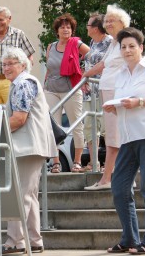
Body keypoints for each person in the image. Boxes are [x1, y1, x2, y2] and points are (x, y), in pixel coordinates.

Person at [103, 27, 145, 254]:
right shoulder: (121, 73)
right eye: (123, 47)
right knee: (119, 188)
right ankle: (130, 239)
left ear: (141, 48)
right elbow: (124, 102)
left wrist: (139, 102)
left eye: (132, 46)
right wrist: (116, 108)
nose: (127, 50)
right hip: (128, 138)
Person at [0, 47, 57, 254]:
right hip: (30, 146)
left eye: (11, 63)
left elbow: (19, 118)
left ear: (23, 65)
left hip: (27, 146)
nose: (7, 67)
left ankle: (15, 242)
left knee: (20, 195)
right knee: (29, 195)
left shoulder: (22, 83)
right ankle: (34, 240)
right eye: (4, 64)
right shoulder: (23, 83)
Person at [84, 4, 130, 189]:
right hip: (108, 91)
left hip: (117, 92)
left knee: (114, 137)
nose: (108, 23)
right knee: (113, 137)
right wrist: (85, 75)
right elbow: (103, 64)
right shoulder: (113, 42)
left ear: (122, 22)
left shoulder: (126, 40)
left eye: (112, 20)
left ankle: (107, 179)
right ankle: (116, 177)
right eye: (107, 20)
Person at [44, 13, 90, 173]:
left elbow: (91, 55)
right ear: (57, 30)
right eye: (62, 27)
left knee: (76, 124)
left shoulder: (76, 44)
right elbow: (49, 69)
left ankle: (77, 162)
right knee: (52, 127)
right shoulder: (51, 46)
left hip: (71, 89)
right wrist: (44, 86)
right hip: (51, 89)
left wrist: (83, 71)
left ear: (72, 30)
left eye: (68, 27)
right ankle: (55, 162)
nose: (66, 29)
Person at [0, 6, 36, 105]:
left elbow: (29, 57)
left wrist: (23, 78)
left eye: (1, 19)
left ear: (9, 19)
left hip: (12, 81)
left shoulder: (19, 34)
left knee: (13, 111)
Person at [79, 13, 112, 172]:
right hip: (90, 91)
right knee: (90, 127)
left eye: (89, 25)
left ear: (97, 28)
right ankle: (94, 162)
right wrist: (84, 81)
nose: (86, 27)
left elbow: (107, 65)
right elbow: (88, 64)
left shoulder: (110, 42)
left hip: (105, 90)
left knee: (107, 127)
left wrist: (87, 75)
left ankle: (111, 164)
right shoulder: (92, 42)